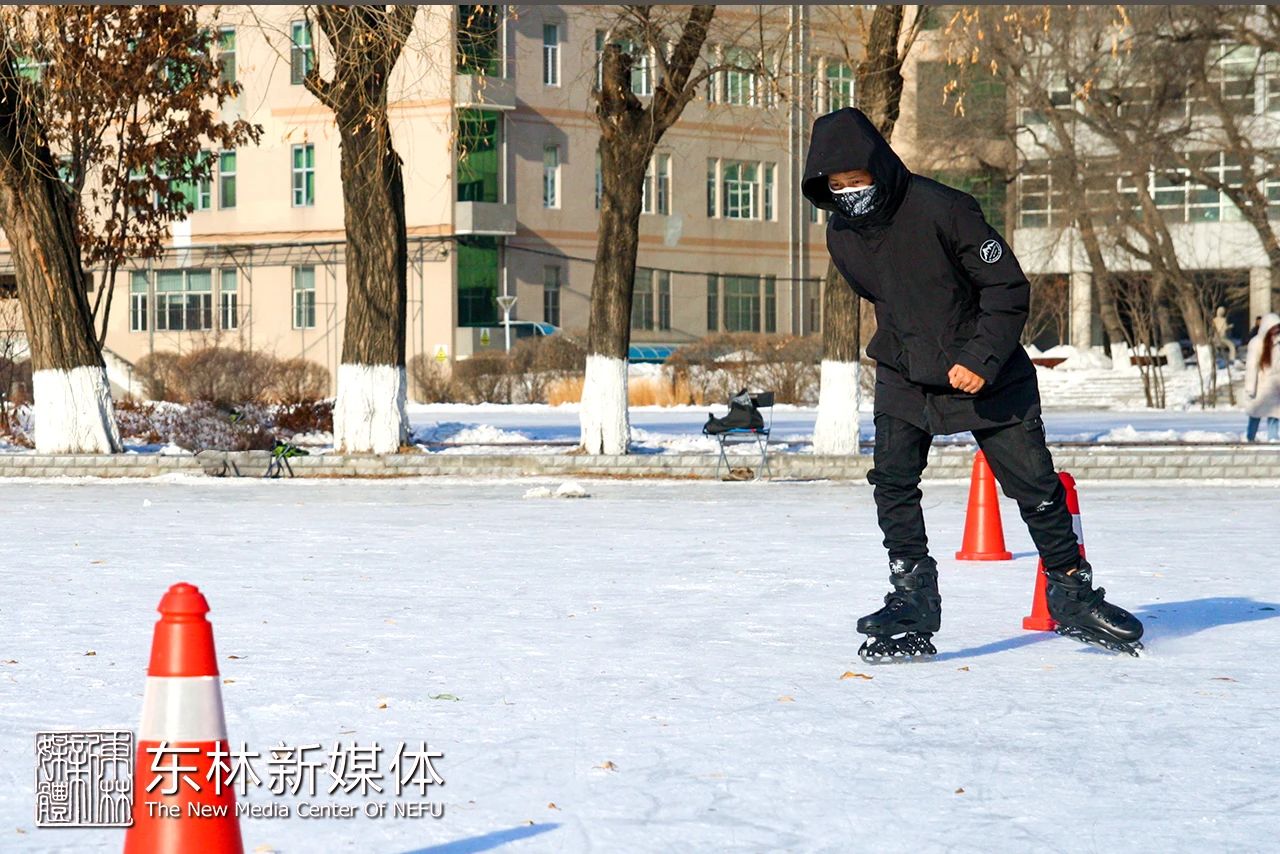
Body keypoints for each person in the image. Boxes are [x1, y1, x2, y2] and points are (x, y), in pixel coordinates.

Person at [801, 108, 1144, 661]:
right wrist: (914, 350)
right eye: (836, 187)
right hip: (905, 371)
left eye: (856, 181)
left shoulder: (945, 208)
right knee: (892, 482)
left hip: (988, 373)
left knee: (1035, 487)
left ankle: (1072, 592)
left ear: (878, 168)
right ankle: (912, 596)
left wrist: (979, 358)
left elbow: (1006, 288)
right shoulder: (842, 233)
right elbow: (884, 296)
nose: (848, 194)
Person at [1244, 313, 1280, 443]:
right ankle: (1250, 438)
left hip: (1275, 387)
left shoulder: (1278, 343)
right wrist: (1250, 387)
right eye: (1274, 327)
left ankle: (1273, 439)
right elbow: (1251, 366)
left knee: (1275, 415)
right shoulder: (1256, 343)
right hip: (1260, 387)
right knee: (1255, 415)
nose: (1276, 330)